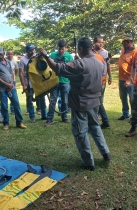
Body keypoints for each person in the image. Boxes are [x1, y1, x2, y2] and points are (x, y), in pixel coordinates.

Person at [39, 37, 111, 171]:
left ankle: (88, 162)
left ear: (81, 49)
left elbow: (57, 68)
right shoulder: (99, 62)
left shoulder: (79, 64)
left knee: (81, 132)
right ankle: (106, 152)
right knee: (95, 127)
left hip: (80, 103)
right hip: (95, 102)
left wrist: (46, 56)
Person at [0, 47, 27, 130]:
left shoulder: (8, 61)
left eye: (1, 54)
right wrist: (7, 84)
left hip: (11, 87)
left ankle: (19, 122)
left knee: (16, 104)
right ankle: (6, 123)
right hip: (2, 89)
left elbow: (12, 73)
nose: (0, 55)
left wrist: (11, 84)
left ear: (3, 54)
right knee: (4, 106)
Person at [45, 40, 73, 126]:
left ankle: (64, 117)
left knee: (64, 101)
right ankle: (49, 118)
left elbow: (71, 69)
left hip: (65, 81)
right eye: (59, 49)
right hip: (54, 81)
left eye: (63, 49)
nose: (61, 51)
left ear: (65, 48)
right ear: (57, 47)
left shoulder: (69, 56)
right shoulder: (53, 55)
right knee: (53, 100)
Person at [19, 44, 47, 123]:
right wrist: (24, 85)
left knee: (42, 99)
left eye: (33, 50)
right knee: (30, 100)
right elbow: (21, 73)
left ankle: (44, 115)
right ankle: (32, 117)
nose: (32, 52)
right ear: (26, 51)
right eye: (30, 50)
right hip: (28, 83)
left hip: (38, 82)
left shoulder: (37, 57)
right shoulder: (23, 60)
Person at [117, 34, 137, 120]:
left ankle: (134, 115)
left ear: (129, 42)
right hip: (121, 79)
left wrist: (131, 79)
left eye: (123, 42)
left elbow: (136, 67)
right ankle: (125, 113)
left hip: (130, 80)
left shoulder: (135, 52)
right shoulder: (123, 50)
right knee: (123, 97)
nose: (122, 44)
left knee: (132, 98)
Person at [92, 36, 111, 128]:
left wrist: (110, 76)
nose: (101, 44)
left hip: (101, 81)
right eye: (99, 42)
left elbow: (108, 65)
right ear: (94, 42)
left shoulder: (105, 52)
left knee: (97, 101)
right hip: (94, 81)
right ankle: (104, 120)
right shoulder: (90, 52)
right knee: (98, 101)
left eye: (102, 43)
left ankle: (98, 120)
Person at [6, 49, 19, 115]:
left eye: (11, 54)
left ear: (13, 55)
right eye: (8, 54)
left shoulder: (14, 62)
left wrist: (12, 77)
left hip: (12, 81)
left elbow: (16, 71)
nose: (10, 55)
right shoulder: (5, 61)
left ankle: (13, 109)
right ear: (6, 54)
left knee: (13, 96)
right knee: (5, 95)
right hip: (5, 81)